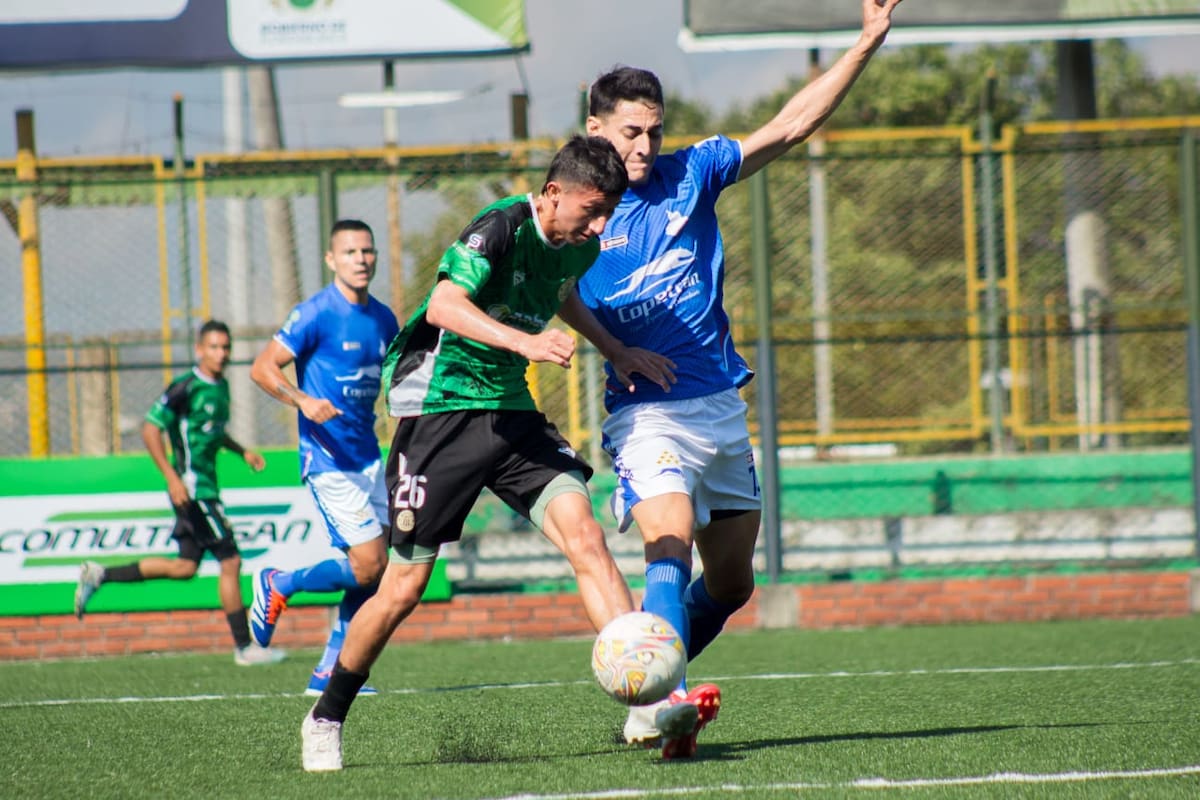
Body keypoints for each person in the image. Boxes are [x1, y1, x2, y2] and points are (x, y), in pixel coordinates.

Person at [557, 0, 904, 759]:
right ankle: (663, 702)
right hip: (645, 414)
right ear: (595, 125)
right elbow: (552, 288)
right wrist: (614, 349)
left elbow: (790, 127)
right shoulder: (578, 202)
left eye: (653, 129)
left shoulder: (694, 171)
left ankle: (651, 678)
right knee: (667, 543)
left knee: (732, 585)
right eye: (629, 131)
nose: (645, 145)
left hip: (718, 407)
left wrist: (866, 42)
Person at [300, 134, 635, 772]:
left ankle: (645, 697)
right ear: (554, 192)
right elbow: (447, 305)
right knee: (402, 587)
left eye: (607, 213)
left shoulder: (581, 244)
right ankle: (326, 715)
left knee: (585, 536)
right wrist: (524, 343)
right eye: (591, 209)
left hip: (510, 414)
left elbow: (561, 289)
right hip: (440, 414)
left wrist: (614, 349)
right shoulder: (501, 226)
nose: (599, 225)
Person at [73, 319, 285, 666]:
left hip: (203, 488)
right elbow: (149, 428)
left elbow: (211, 432)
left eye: (226, 347)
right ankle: (245, 648)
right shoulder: (185, 387)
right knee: (230, 561)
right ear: (200, 350)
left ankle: (101, 574)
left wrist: (241, 450)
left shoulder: (221, 386)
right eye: (214, 347)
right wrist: (172, 478)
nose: (221, 353)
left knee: (185, 567)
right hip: (193, 490)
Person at [248, 219, 400, 697]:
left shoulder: (384, 319)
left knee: (374, 572)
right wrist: (303, 401)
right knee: (370, 563)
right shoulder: (314, 312)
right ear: (332, 259)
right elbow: (261, 368)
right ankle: (280, 582)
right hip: (327, 458)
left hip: (368, 457)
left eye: (367, 251)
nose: (361, 259)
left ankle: (329, 672)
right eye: (351, 252)